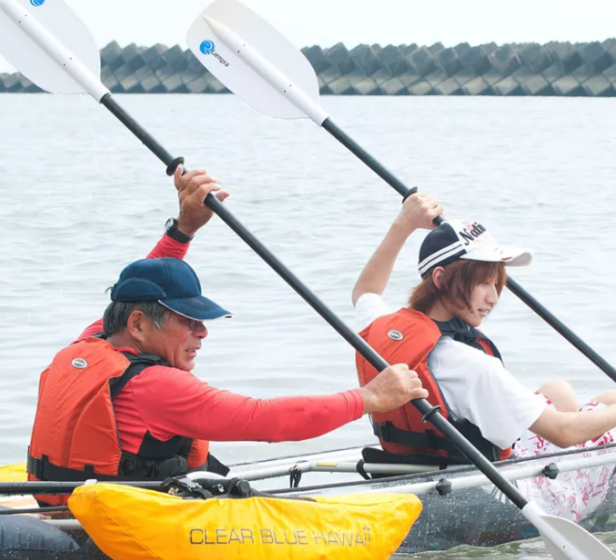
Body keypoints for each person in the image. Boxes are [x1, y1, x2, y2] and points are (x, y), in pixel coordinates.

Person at [28, 167, 428, 506]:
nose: (202, 332)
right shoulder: (154, 388)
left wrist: (184, 228)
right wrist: (370, 398)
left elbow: (141, 281)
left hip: (68, 511)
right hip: (115, 534)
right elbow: (265, 419)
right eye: (188, 320)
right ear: (138, 326)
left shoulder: (93, 340)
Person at [352, 191, 616, 520]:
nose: (493, 298)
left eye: (497, 284)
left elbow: (366, 291)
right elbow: (564, 433)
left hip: (433, 470)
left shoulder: (382, 330)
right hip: (506, 497)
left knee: (558, 390)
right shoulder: (469, 364)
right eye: (484, 284)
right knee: (609, 407)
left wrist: (403, 225)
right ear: (441, 278)